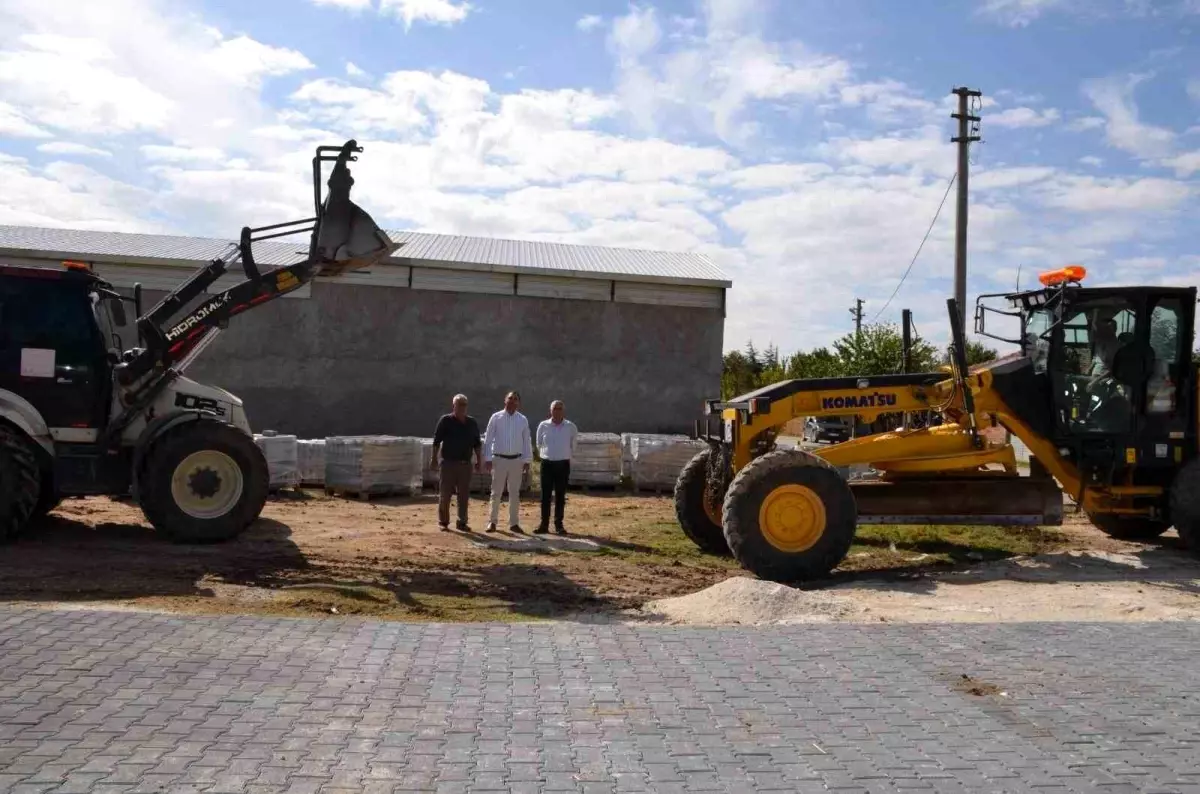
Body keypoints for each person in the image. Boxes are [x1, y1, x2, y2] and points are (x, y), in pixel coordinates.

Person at [431, 394, 482, 532]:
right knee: (445, 494)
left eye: (464, 404)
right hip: (448, 464)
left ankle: (462, 522)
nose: (462, 407)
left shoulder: (472, 423)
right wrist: (434, 459)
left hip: (465, 464)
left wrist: (478, 460)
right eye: (459, 404)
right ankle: (443, 522)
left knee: (464, 495)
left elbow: (477, 443)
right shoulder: (446, 421)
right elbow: (436, 441)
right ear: (453, 406)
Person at [482, 391, 532, 533]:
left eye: (515, 399)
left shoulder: (522, 419)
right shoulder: (496, 417)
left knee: (514, 493)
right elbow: (488, 439)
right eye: (510, 398)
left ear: (518, 403)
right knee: (496, 492)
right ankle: (492, 522)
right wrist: (488, 458)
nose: (512, 401)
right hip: (499, 460)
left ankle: (514, 523)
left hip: (516, 460)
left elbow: (526, 440)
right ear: (505, 400)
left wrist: (527, 460)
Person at [535, 400, 577, 535]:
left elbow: (574, 445)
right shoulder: (543, 425)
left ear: (563, 411)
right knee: (545, 496)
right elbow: (538, 443)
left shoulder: (570, 427)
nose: (557, 411)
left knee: (560, 496)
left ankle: (559, 525)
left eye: (559, 408)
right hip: (547, 464)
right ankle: (544, 525)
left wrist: (564, 455)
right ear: (550, 410)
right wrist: (547, 454)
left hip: (563, 464)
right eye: (554, 408)